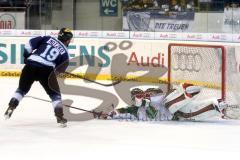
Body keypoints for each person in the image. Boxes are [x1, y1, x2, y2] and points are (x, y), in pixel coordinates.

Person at [4, 28, 73, 127]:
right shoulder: (65, 53)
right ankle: (59, 116)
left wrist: (27, 56)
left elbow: (28, 45)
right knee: (55, 94)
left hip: (30, 65)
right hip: (46, 70)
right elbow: (60, 70)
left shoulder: (47, 38)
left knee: (22, 89)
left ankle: (12, 105)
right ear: (67, 40)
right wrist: (55, 73)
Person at [102, 83, 229, 121]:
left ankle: (184, 94)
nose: (139, 96)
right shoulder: (133, 110)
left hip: (171, 105)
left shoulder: (151, 94)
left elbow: (163, 94)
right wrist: (108, 114)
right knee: (188, 114)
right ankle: (214, 106)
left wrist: (147, 100)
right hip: (174, 115)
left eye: (140, 94)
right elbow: (119, 112)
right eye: (136, 96)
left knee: (170, 104)